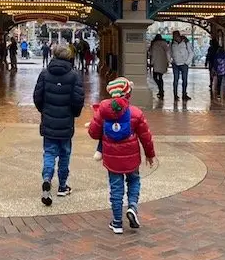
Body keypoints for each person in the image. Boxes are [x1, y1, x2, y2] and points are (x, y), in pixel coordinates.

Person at [88, 77, 156, 235]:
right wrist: (150, 154)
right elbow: (146, 136)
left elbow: (93, 133)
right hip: (131, 157)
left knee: (116, 188)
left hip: (112, 159)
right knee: (134, 181)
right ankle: (132, 207)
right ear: (128, 94)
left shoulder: (102, 112)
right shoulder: (136, 113)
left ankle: (117, 222)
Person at [33, 42, 84, 207]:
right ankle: (62, 186)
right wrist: (74, 113)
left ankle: (47, 178)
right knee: (64, 154)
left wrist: (44, 111)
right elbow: (78, 99)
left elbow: (37, 97)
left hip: (48, 121)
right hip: (66, 123)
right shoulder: (74, 75)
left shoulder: (44, 74)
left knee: (49, 153)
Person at [169, 30, 194, 101]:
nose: (174, 37)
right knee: (175, 80)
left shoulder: (186, 42)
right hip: (175, 64)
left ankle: (184, 94)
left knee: (184, 80)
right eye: (173, 36)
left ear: (178, 36)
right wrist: (170, 60)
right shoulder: (172, 43)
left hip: (184, 64)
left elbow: (191, 52)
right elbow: (169, 52)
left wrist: (187, 62)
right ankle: (175, 95)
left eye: (175, 36)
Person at [148, 34, 170, 99]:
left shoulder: (154, 44)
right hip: (163, 62)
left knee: (155, 77)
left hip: (156, 63)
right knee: (160, 77)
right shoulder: (164, 43)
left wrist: (151, 63)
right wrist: (168, 61)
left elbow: (152, 54)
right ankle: (161, 90)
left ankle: (161, 89)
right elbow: (167, 53)